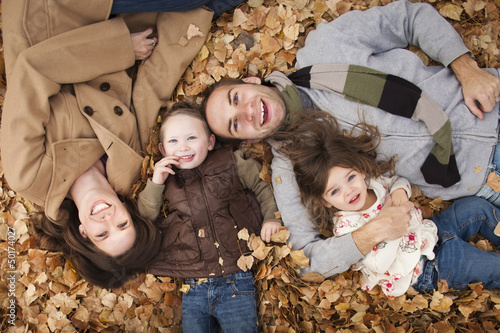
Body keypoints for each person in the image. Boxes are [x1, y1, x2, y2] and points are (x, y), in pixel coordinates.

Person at [201, 0, 500, 279]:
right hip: (484, 179)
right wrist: (371, 233)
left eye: (236, 98)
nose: (248, 111)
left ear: (251, 81)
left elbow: (410, 18)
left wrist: (466, 69)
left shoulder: (325, 48)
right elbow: (307, 258)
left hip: (488, 106)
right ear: (246, 141)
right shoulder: (290, 167)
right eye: (236, 123)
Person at [0, 0, 238, 288]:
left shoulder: (29, 175)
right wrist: (198, 17)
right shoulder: (127, 167)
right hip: (112, 23)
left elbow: (32, 70)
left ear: (83, 233)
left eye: (102, 234)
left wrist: (121, 48)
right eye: (122, 224)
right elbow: (153, 88)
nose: (107, 218)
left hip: (50, 18)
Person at [137, 101, 282, 332]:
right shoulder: (167, 180)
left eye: (191, 138)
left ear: (210, 141)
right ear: (163, 150)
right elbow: (145, 217)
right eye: (173, 141)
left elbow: (262, 185)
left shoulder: (231, 162)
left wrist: (271, 218)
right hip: (193, 282)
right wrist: (156, 183)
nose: (183, 147)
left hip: (236, 278)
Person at [277, 111, 439, 296]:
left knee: (471, 210)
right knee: (464, 260)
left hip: (428, 231)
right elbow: (378, 264)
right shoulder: (347, 226)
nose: (349, 190)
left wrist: (399, 191)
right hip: (418, 268)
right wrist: (390, 229)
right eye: (335, 191)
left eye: (351, 177)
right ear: (326, 201)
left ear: (361, 171)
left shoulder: (375, 184)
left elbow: (396, 181)